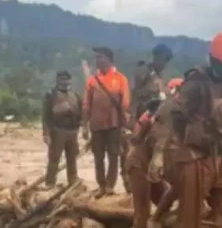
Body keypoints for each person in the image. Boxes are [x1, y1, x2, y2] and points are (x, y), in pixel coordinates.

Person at [149, 32, 222, 228]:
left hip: (219, 155)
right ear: (215, 61)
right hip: (195, 156)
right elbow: (174, 116)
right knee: (191, 210)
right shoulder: (195, 84)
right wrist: (167, 152)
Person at [125, 77, 183, 228]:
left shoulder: (179, 120)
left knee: (170, 197)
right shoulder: (156, 117)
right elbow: (141, 140)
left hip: (155, 169)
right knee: (142, 212)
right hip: (140, 165)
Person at [125, 44, 174, 194]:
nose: (164, 64)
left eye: (166, 61)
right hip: (142, 117)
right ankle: (131, 185)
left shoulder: (160, 77)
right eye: (162, 60)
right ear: (156, 57)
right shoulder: (144, 71)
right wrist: (131, 116)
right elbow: (135, 94)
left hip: (155, 119)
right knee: (136, 152)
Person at [82, 46, 131, 197]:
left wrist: (124, 124)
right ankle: (101, 185)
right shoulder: (92, 80)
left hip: (114, 124)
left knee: (113, 155)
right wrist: (84, 125)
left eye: (100, 57)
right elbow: (86, 104)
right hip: (96, 125)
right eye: (96, 57)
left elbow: (125, 103)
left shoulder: (120, 79)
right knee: (98, 157)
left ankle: (110, 185)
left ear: (109, 60)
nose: (97, 60)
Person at [41, 70, 83, 188]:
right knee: (54, 159)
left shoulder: (75, 95)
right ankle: (50, 183)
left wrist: (81, 127)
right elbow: (46, 116)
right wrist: (46, 133)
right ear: (57, 80)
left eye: (66, 79)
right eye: (62, 78)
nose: (64, 81)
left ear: (70, 80)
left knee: (72, 158)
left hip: (72, 132)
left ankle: (73, 182)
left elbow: (81, 113)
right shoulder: (51, 95)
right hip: (57, 131)